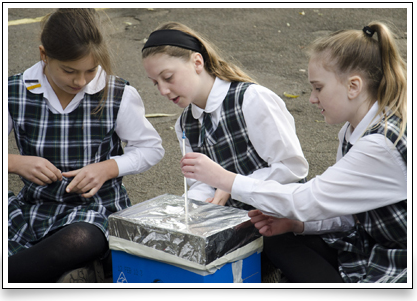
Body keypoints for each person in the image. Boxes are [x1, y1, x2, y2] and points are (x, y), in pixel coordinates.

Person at [180, 21, 407, 283]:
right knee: (276, 236)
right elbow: (348, 213)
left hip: (401, 258)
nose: (311, 98)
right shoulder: (353, 129)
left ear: (353, 86)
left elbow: (306, 200)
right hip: (375, 246)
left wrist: (225, 179)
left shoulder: (380, 145)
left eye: (318, 87)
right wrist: (297, 225)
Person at [8, 8, 164, 283]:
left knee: (80, 240)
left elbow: (151, 148)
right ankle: (51, 271)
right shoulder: (14, 92)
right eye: (69, 71)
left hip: (93, 210)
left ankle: (18, 272)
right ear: (44, 55)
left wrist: (108, 168)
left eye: (90, 71)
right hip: (33, 205)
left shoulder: (118, 93)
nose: (80, 81)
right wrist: (14, 162)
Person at [142, 21, 308, 211]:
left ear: (197, 62)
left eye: (168, 77)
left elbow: (292, 168)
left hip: (281, 217)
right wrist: (185, 210)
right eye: (155, 83)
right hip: (231, 225)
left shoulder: (252, 99)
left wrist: (232, 184)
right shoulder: (185, 123)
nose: (162, 90)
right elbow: (200, 183)